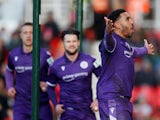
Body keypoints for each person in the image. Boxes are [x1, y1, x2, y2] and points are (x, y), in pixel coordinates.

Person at [97, 9, 154, 120]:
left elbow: (134, 51)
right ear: (117, 25)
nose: (132, 22)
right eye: (127, 19)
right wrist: (107, 32)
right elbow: (108, 42)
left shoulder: (125, 45)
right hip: (112, 99)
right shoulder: (112, 42)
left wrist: (145, 49)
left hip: (124, 101)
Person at [47, 29, 101, 120]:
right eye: (68, 41)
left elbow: (104, 79)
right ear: (63, 43)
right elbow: (49, 86)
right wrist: (56, 104)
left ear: (78, 42)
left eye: (74, 41)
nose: (71, 44)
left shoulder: (90, 60)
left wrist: (98, 99)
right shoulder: (56, 65)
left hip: (87, 112)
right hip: (68, 114)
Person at [5, 22, 54, 120]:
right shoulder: (13, 54)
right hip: (21, 104)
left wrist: (47, 84)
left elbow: (56, 72)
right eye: (25, 33)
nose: (28, 36)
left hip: (41, 104)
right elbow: (9, 70)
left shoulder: (45, 55)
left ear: (36, 35)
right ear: (20, 35)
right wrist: (10, 86)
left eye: (31, 33)